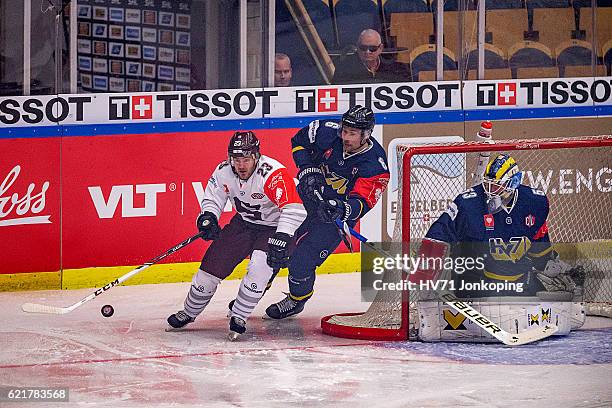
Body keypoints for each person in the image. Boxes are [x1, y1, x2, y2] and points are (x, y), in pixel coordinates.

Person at [412, 153, 583, 341]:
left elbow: (539, 240)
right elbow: (439, 233)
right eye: (487, 184)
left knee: (558, 309)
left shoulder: (535, 202)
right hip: (476, 283)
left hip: (519, 282)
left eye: (496, 186)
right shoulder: (468, 204)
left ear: (513, 183)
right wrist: (424, 270)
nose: (489, 191)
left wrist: (547, 266)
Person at [167, 131, 307, 340]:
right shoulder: (224, 171)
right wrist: (208, 217)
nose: (241, 165)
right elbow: (213, 198)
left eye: (246, 159)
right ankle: (188, 312)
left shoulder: (273, 174)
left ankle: (239, 316)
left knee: (259, 268)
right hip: (243, 224)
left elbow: (295, 209)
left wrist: (283, 236)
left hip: (273, 227)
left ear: (256, 157)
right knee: (210, 268)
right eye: (236, 159)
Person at [265, 105, 390, 319]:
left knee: (302, 261)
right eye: (344, 130)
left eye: (352, 133)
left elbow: (361, 203)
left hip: (334, 218)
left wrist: (341, 208)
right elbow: (299, 141)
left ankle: (296, 300)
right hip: (305, 199)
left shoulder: (375, 166)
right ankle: (255, 289)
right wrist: (307, 169)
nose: (345, 137)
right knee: (277, 243)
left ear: (366, 134)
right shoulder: (326, 131)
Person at [332, 29, 411, 85]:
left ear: (380, 48)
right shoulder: (344, 70)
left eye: (372, 48)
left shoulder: (398, 70)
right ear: (357, 48)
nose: (367, 52)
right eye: (363, 48)